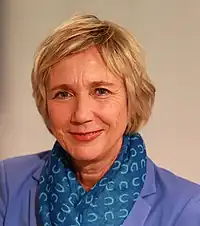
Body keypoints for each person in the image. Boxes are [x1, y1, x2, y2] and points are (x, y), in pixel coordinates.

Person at [0, 14, 200, 226]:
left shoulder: (188, 208)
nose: (81, 115)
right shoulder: (7, 184)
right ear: (45, 103)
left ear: (132, 100)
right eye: (63, 94)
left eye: (101, 91)